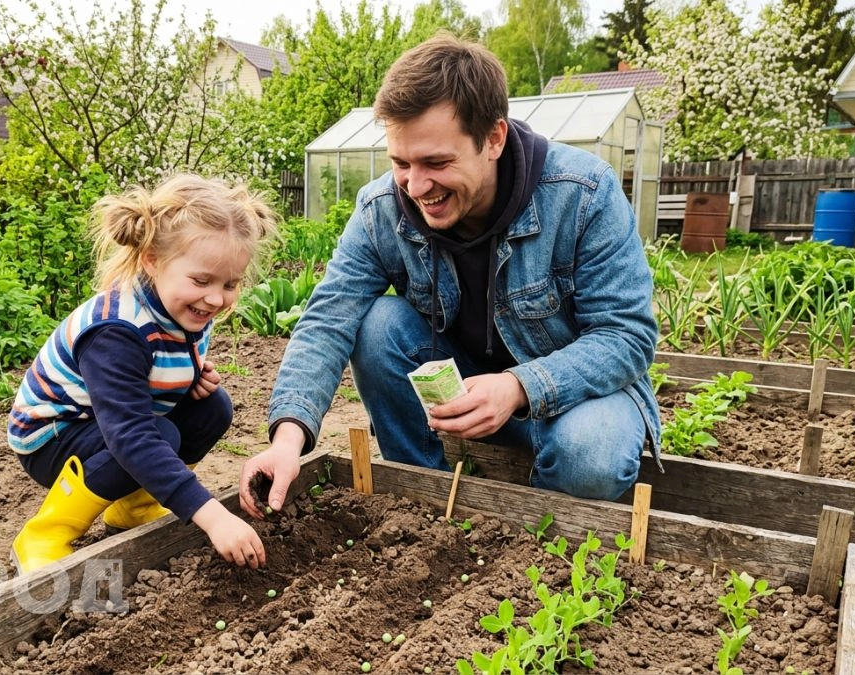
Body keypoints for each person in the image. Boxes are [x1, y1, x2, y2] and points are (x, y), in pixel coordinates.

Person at [239, 34, 661, 519]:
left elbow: (625, 336)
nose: (416, 186)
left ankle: (531, 524)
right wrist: (289, 438)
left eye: (437, 163)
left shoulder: (583, 194)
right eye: (401, 163)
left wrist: (519, 386)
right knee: (375, 324)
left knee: (593, 454)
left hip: (566, 403)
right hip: (462, 400)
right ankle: (423, 506)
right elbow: (329, 319)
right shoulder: (382, 210)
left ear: (494, 139)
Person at [8, 173, 280, 574]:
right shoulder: (115, 331)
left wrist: (188, 378)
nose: (216, 298)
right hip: (51, 436)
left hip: (102, 423)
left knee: (212, 409)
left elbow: (150, 373)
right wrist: (212, 516)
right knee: (158, 437)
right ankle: (48, 532)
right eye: (202, 280)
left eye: (230, 284)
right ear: (152, 260)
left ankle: (132, 506)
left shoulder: (182, 306)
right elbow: (130, 432)